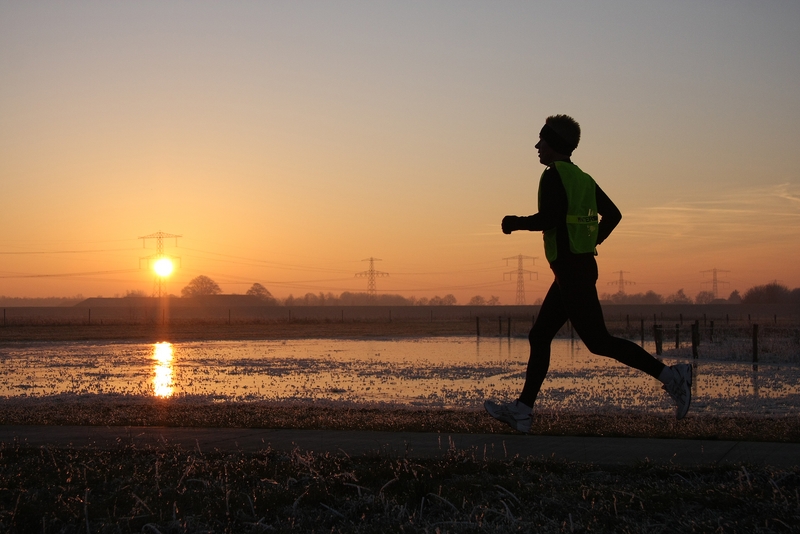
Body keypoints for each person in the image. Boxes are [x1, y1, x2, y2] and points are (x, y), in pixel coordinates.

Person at [484, 114, 692, 433]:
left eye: (542, 139)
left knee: (599, 341)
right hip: (576, 270)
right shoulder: (582, 178)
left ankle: (671, 377)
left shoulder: (554, 175)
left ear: (555, 145)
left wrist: (516, 222)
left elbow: (551, 218)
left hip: (572, 273)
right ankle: (523, 411)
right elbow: (614, 215)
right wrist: (591, 240)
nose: (537, 145)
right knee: (540, 336)